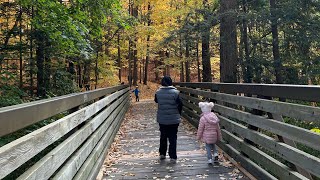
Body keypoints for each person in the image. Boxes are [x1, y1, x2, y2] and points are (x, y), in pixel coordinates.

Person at [154, 76, 183, 163]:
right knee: (173, 137)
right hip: (174, 119)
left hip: (162, 118)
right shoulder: (176, 92)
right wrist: (178, 114)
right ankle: (173, 156)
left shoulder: (158, 92)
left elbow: (156, 101)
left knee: (163, 136)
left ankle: (162, 153)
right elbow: (180, 104)